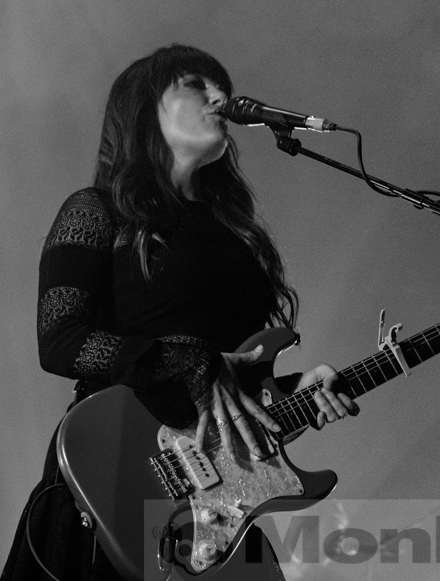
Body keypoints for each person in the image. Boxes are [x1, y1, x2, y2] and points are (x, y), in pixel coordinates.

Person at [2, 44, 359, 581]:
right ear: (145, 107)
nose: (221, 95)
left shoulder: (237, 244)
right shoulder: (97, 211)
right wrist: (187, 360)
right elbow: (61, 339)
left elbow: (231, 391)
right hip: (116, 478)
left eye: (223, 84)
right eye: (196, 84)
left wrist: (293, 393)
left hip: (219, 509)